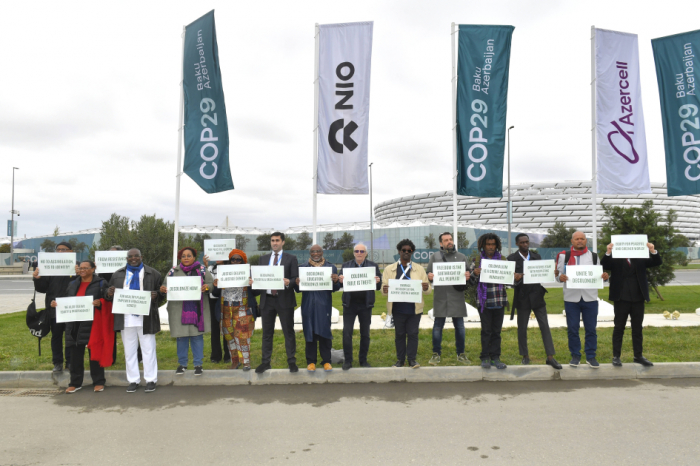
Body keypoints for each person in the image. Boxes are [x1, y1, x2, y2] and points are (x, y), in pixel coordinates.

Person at [105, 248, 164, 393]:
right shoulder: (118, 274)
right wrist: (109, 292)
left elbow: (162, 295)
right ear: (126, 258)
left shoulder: (154, 273)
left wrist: (157, 296)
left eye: (136, 256)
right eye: (130, 256)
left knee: (148, 349)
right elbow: (108, 294)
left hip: (146, 317)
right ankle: (133, 380)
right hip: (125, 317)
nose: (133, 258)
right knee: (129, 350)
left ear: (141, 256)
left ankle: (151, 379)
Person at [601, 241, 662, 367]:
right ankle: (616, 356)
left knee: (637, 328)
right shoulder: (615, 257)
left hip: (638, 297)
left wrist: (652, 251)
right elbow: (604, 264)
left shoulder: (640, 257)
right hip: (620, 298)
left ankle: (638, 356)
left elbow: (657, 262)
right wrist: (608, 252)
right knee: (619, 328)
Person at [555, 231, 609, 368]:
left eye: (582, 239)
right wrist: (560, 277)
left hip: (590, 298)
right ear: (572, 241)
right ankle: (575, 355)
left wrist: (604, 277)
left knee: (591, 329)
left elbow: (598, 275)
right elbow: (557, 275)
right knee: (573, 329)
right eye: (577, 239)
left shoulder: (594, 256)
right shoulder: (564, 256)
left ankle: (591, 356)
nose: (580, 241)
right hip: (571, 298)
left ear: (586, 241)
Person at [508, 233, 562, 369]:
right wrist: (515, 279)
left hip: (537, 297)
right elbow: (508, 281)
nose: (525, 244)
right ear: (517, 244)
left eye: (526, 242)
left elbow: (542, 274)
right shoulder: (511, 259)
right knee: (522, 328)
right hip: (522, 298)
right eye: (522, 243)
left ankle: (550, 356)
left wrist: (551, 273)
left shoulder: (537, 257)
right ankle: (525, 355)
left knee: (545, 326)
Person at [162, 247, 213, 376]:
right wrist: (163, 289)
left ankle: (198, 364)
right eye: (183, 256)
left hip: (197, 310)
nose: (186, 258)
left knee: (197, 337)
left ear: (194, 257)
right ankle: (182, 364)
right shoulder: (173, 271)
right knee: (181, 337)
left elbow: (211, 285)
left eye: (189, 255)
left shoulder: (202, 270)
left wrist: (207, 287)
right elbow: (165, 286)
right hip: (178, 310)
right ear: (180, 258)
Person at [59, 261, 108, 393]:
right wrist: (57, 304)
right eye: (81, 268)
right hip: (74, 323)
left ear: (93, 269)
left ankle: (98, 382)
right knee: (75, 354)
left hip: (93, 323)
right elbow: (66, 300)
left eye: (86, 268)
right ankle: (75, 383)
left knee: (95, 353)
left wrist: (100, 303)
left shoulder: (101, 283)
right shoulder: (73, 284)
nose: (82, 270)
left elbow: (108, 300)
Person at [254, 232, 299, 374]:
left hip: (284, 300)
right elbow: (260, 278)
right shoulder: (263, 259)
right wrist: (253, 281)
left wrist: (289, 282)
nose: (274, 243)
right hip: (267, 301)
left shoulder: (291, 259)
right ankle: (265, 362)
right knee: (267, 334)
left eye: (277, 240)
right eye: (272, 240)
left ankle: (291, 361)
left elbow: (295, 279)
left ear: (283, 242)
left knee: (288, 332)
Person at [382, 239, 431, 369]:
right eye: (403, 250)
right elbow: (383, 289)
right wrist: (384, 289)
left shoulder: (419, 269)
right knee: (399, 335)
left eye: (409, 251)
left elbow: (428, 290)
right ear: (399, 251)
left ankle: (412, 360)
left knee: (413, 334)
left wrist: (426, 288)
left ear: (412, 252)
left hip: (414, 309)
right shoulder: (389, 269)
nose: (406, 253)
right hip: (397, 309)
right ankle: (400, 360)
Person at [426, 232, 471, 366]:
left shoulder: (462, 257)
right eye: (446, 240)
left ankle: (461, 354)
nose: (449, 242)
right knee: (437, 327)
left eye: (450, 239)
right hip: (440, 297)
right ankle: (436, 354)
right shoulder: (435, 257)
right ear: (441, 243)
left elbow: (469, 276)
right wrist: (430, 276)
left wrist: (468, 276)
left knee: (460, 327)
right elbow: (428, 274)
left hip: (457, 297)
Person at [294, 245, 341, 372]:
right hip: (308, 304)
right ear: (310, 253)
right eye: (313, 251)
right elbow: (298, 290)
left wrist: (336, 281)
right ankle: (311, 361)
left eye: (318, 251)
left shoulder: (331, 267)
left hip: (324, 304)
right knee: (309, 332)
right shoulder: (302, 268)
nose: (316, 253)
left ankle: (326, 361)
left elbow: (335, 289)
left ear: (322, 252)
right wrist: (297, 283)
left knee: (325, 332)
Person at [32, 241, 78, 372]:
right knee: (56, 336)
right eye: (58, 249)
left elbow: (83, 284)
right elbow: (42, 288)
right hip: (54, 307)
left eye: (64, 249)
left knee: (70, 335)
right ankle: (57, 362)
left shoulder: (77, 266)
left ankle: (70, 361)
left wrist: (79, 273)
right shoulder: (49, 267)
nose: (61, 252)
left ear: (71, 251)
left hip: (71, 307)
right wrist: (37, 278)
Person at [211, 249, 257, 370]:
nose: (235, 261)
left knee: (242, 336)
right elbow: (216, 294)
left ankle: (246, 362)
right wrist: (215, 285)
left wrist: (253, 284)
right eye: (233, 259)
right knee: (229, 336)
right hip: (225, 309)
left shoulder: (248, 273)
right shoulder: (223, 272)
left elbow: (257, 292)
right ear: (230, 260)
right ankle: (235, 361)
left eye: (238, 259)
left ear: (243, 261)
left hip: (243, 308)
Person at [338, 243, 381, 370]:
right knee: (347, 333)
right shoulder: (346, 266)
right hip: (349, 305)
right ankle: (348, 360)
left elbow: (378, 287)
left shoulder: (372, 266)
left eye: (362, 251)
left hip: (366, 305)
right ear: (353, 253)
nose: (359, 253)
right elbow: (340, 284)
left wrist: (378, 281)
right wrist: (340, 280)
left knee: (365, 334)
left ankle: (363, 360)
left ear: (366, 253)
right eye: (357, 251)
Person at [469, 233, 508, 370]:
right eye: (488, 244)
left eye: (493, 244)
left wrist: (513, 276)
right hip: (484, 301)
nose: (491, 247)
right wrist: (475, 274)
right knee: (486, 331)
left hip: (499, 300)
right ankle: (485, 357)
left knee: (496, 331)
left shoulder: (503, 260)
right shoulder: (477, 260)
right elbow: (471, 282)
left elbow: (509, 283)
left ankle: (495, 357)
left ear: (497, 245)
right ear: (483, 246)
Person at [208, 259, 231, 364]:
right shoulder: (210, 268)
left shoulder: (230, 267)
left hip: (228, 299)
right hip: (213, 299)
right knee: (215, 328)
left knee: (227, 327)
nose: (218, 257)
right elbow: (207, 282)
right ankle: (215, 356)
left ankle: (228, 355)